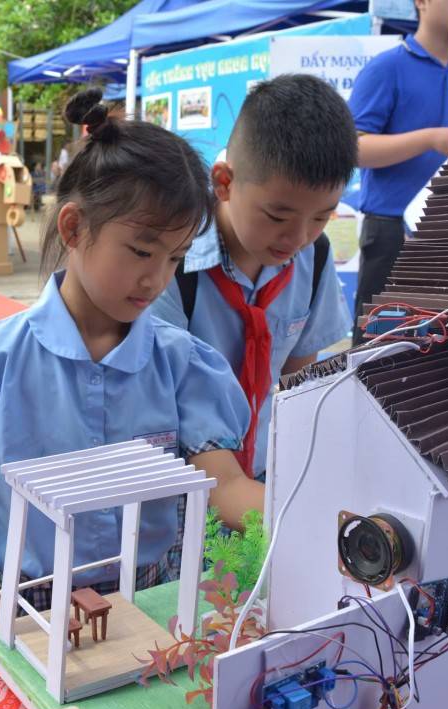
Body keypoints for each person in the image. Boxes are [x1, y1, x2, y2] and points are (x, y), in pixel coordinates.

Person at [0, 89, 264, 635]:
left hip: (154, 604)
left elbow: (224, 483)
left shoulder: (183, 364)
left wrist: (300, 515)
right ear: (73, 229)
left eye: (174, 258)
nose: (156, 278)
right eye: (141, 250)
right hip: (30, 605)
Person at [151, 74, 356, 481]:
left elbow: (298, 386)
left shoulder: (313, 258)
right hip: (174, 482)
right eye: (277, 216)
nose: (297, 238)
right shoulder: (171, 259)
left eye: (321, 216)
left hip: (259, 474)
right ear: (224, 183)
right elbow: (156, 402)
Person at [348, 0, 448, 344]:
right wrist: (431, 139)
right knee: (378, 348)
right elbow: (354, 148)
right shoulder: (388, 67)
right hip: (392, 232)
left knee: (447, 348)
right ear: (421, 2)